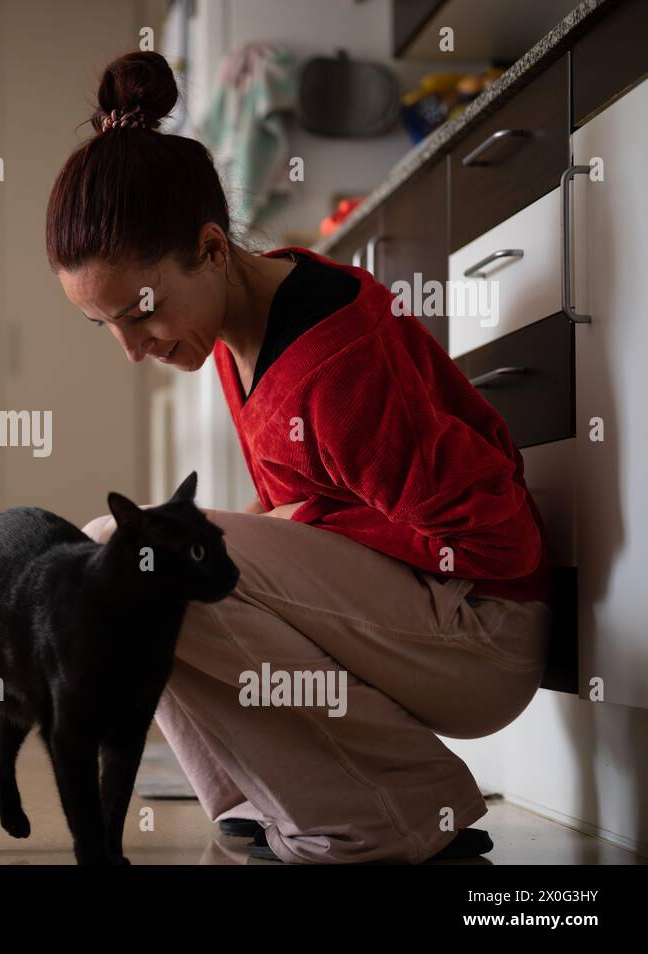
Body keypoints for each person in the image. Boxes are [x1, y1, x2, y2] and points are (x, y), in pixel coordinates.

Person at [49, 51, 552, 864]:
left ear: (212, 250)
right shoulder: (233, 333)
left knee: (133, 553)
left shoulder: (333, 362)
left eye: (140, 313)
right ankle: (264, 794)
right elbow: (323, 514)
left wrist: (302, 521)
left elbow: (499, 544)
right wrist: (291, 525)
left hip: (483, 634)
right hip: (420, 618)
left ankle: (395, 812)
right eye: (104, 326)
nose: (132, 350)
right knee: (113, 564)